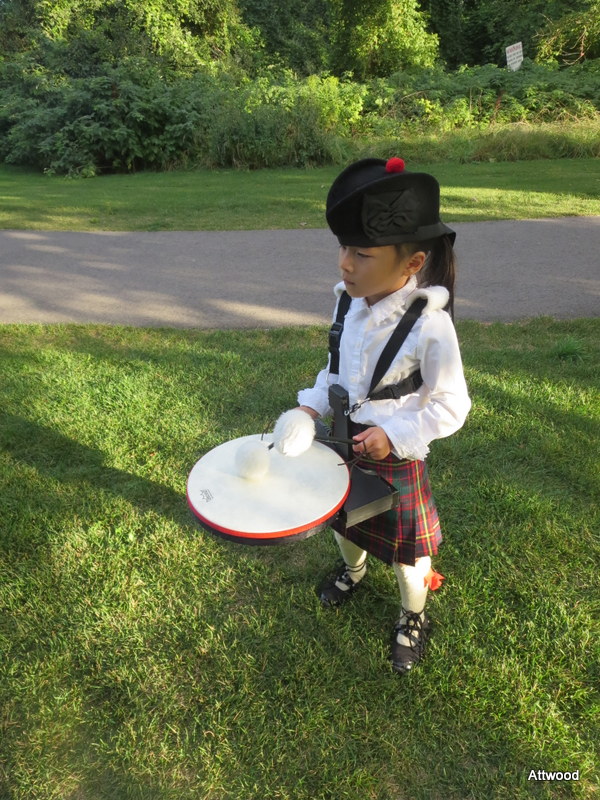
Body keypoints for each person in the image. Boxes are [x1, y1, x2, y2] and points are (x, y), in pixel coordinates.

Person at [295, 157, 471, 674]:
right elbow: (335, 371)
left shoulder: (429, 326)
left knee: (409, 554)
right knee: (344, 522)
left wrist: (393, 435)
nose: (344, 265)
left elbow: (452, 404)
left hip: (396, 455)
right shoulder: (346, 303)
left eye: (361, 254)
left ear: (411, 263)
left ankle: (413, 615)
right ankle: (353, 571)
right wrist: (308, 406)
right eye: (343, 249)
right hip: (343, 441)